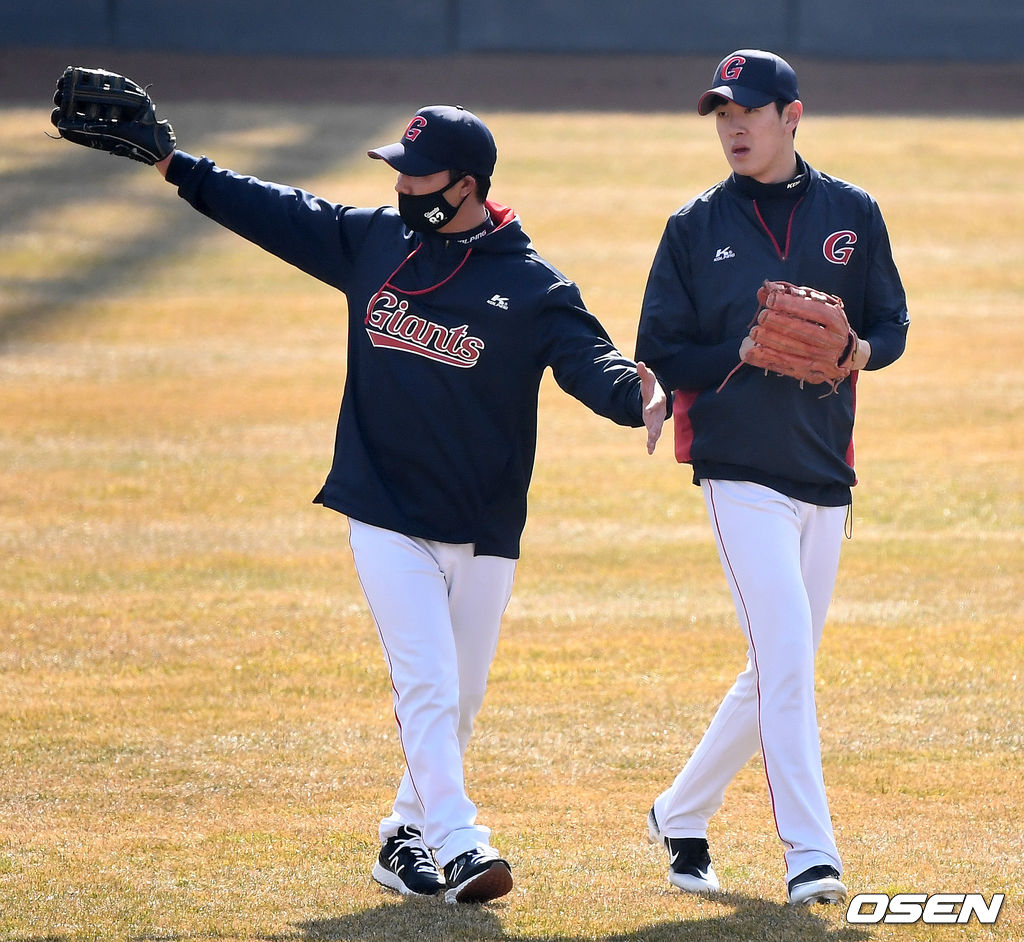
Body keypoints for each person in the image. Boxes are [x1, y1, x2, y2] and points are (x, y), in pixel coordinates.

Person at [112, 99, 664, 903]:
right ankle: (463, 844)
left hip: (482, 528)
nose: (403, 185)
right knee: (429, 686)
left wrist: (646, 396)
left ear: (467, 185)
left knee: (458, 702)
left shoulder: (532, 286)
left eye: (419, 174)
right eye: (397, 171)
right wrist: (176, 165)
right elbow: (276, 211)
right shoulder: (374, 244)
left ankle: (402, 838)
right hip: (385, 511)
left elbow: (598, 369)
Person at [634, 49, 909, 906]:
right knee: (786, 657)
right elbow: (661, 351)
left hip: (825, 475)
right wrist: (741, 350)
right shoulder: (694, 227)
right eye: (721, 114)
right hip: (737, 472)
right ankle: (811, 857)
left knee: (775, 669)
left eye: (748, 111)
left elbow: (891, 326)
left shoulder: (852, 214)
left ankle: (679, 811)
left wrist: (860, 349)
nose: (733, 127)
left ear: (792, 116)